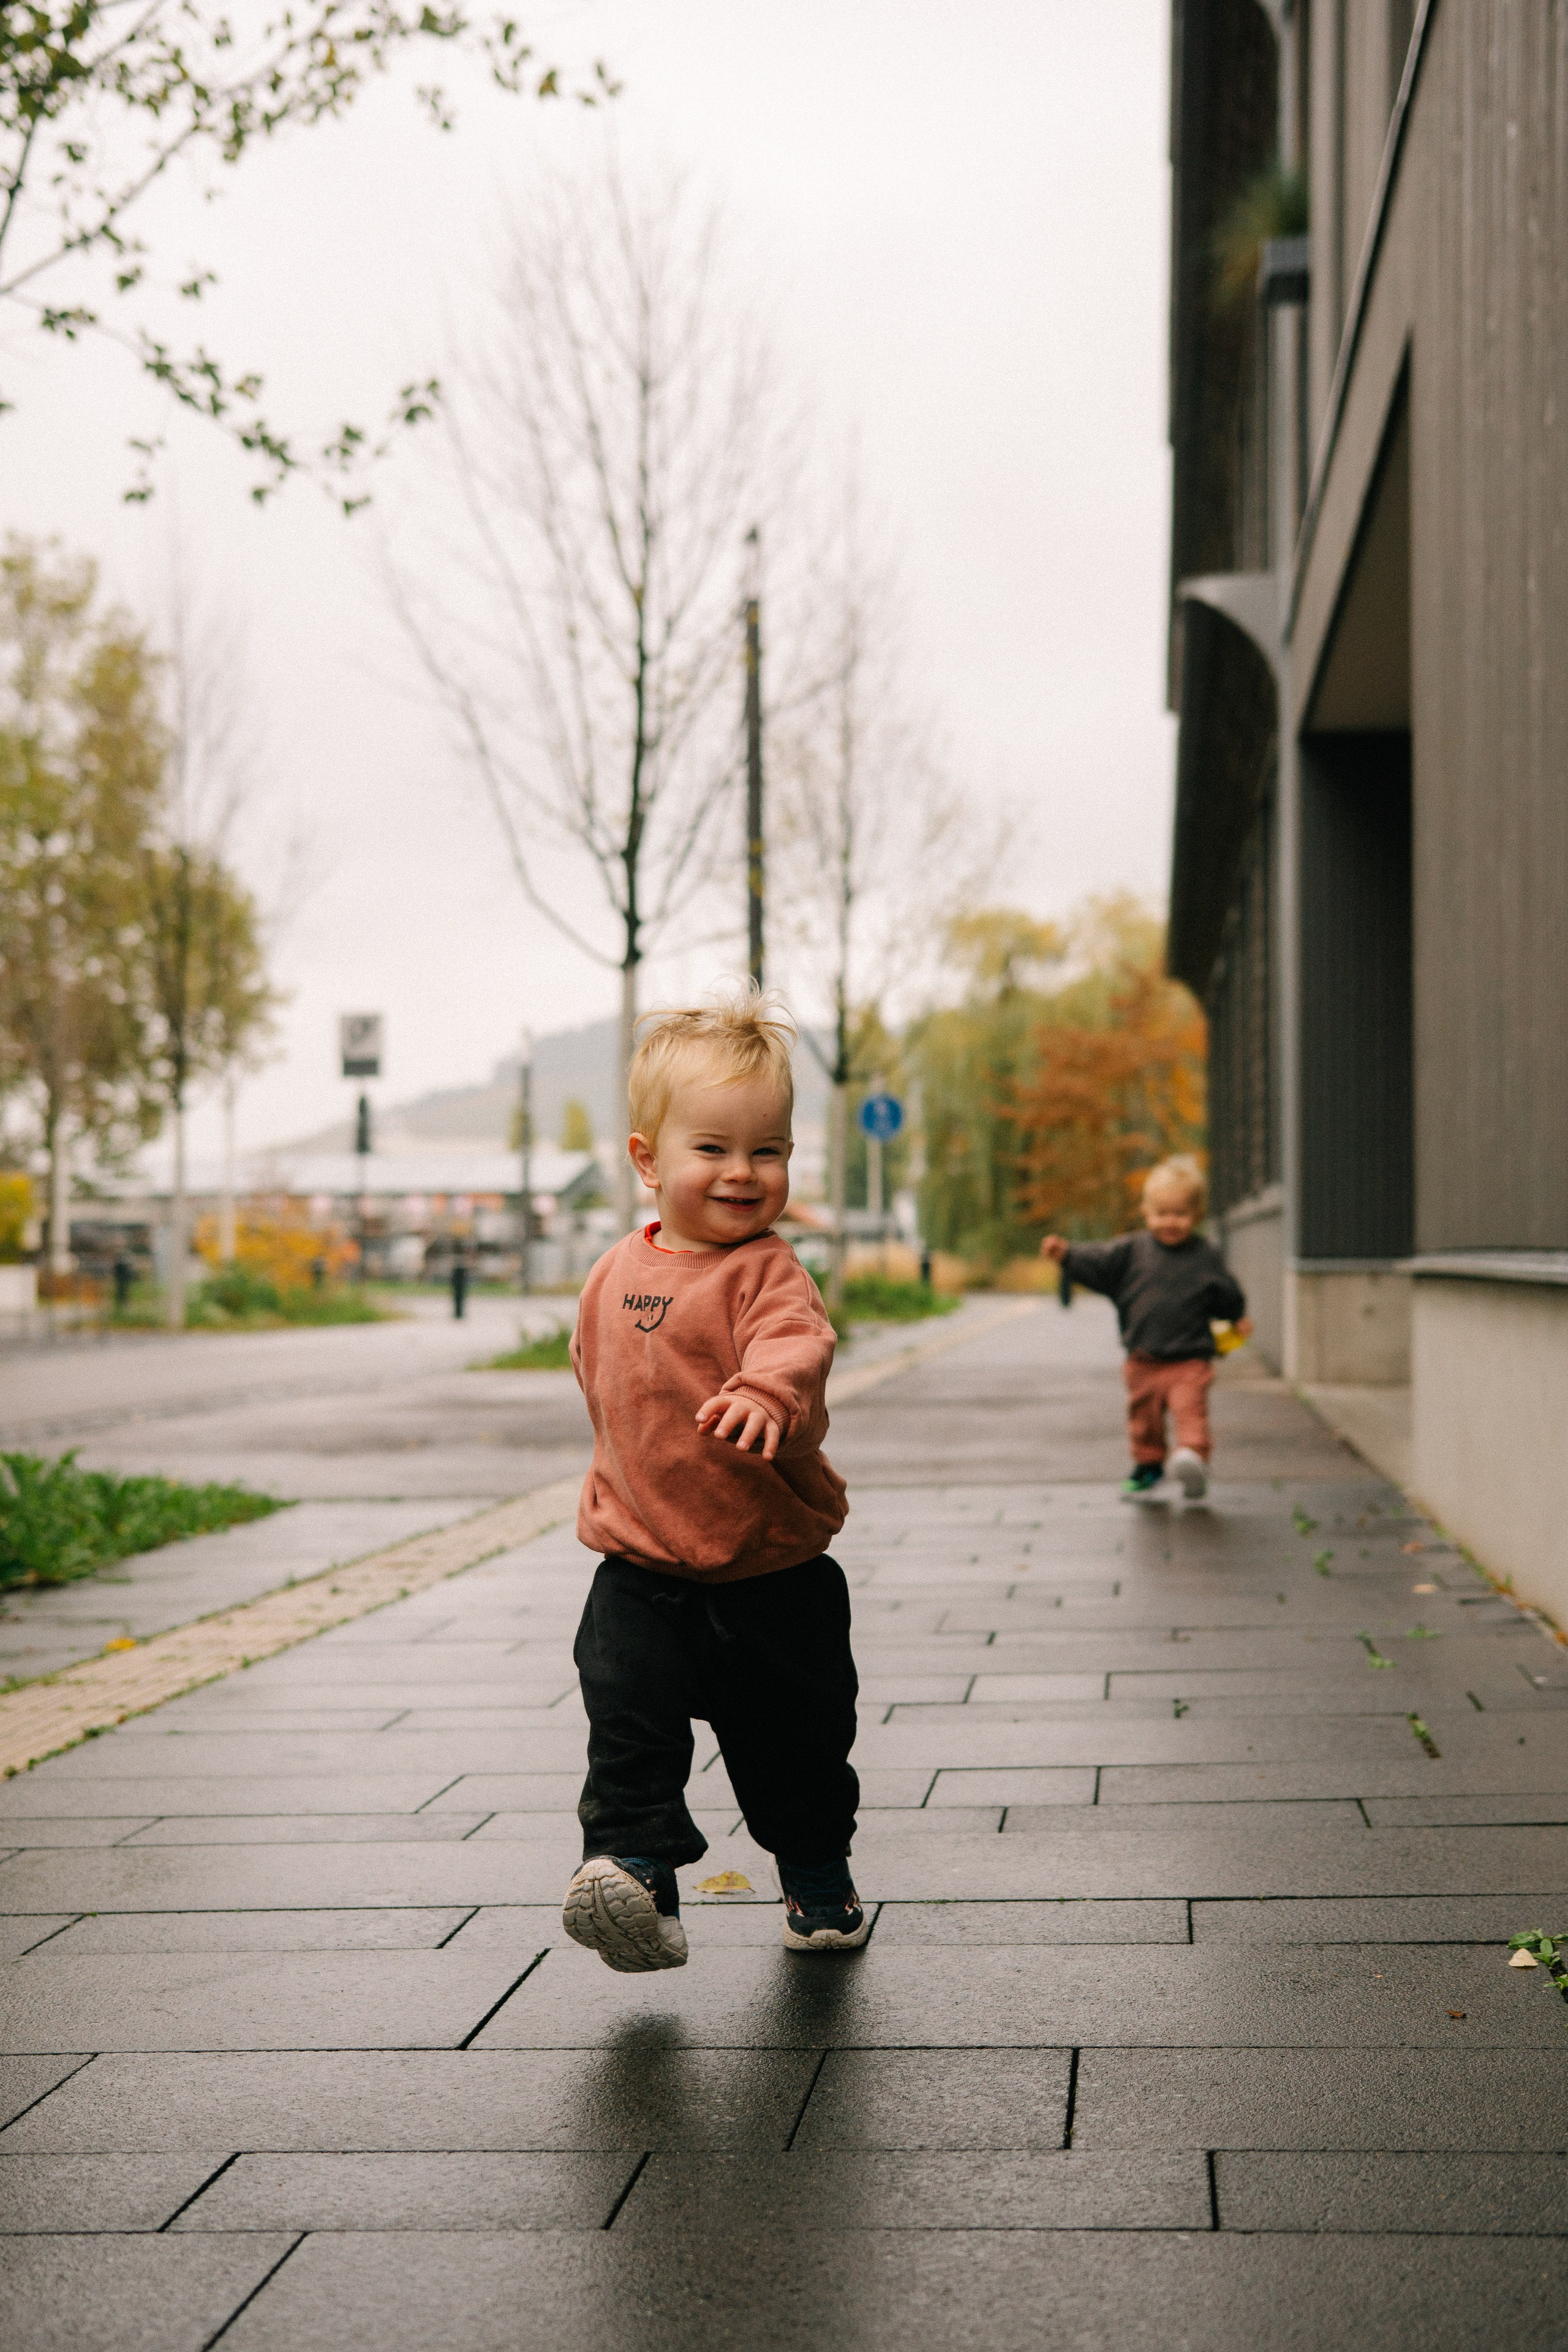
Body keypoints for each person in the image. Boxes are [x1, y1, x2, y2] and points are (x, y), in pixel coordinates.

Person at [560, 986, 866, 1973]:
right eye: (714, 1148)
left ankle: (816, 1874)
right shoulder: (612, 1273)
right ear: (649, 1160)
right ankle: (636, 1876)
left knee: (796, 1749)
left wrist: (769, 1395)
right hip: (642, 1563)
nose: (743, 1172)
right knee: (626, 1722)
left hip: (771, 1571)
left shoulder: (768, 1272)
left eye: (767, 1151)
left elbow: (795, 1346)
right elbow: (597, 1376)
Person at [1039, 1157, 1251, 1501]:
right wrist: (1067, 1256)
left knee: (1190, 1411)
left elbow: (1225, 1292)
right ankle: (1149, 1465)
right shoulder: (1131, 1252)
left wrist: (1236, 1315)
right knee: (1144, 1419)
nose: (1170, 1222)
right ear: (1146, 1212)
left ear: (1197, 1215)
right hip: (1143, 1359)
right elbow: (1098, 1262)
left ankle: (1193, 1458)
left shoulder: (1205, 1255)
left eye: (1180, 1214)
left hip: (1190, 1360)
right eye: (1162, 1213)